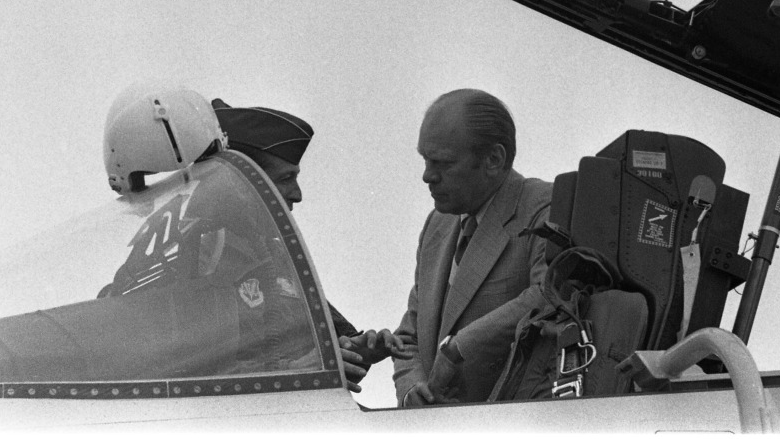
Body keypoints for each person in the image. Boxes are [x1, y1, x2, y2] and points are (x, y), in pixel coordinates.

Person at [211, 98, 408, 391]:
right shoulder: (198, 261)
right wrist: (303, 370)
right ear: (245, 184)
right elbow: (195, 378)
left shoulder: (279, 256)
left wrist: (361, 347)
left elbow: (336, 340)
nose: (297, 194)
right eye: (286, 178)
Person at [392, 89, 552, 406]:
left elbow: (548, 295)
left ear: (494, 159)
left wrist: (459, 348)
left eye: (443, 163)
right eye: (425, 160)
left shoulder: (544, 208)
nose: (427, 176)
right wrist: (412, 389)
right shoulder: (437, 225)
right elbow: (410, 336)